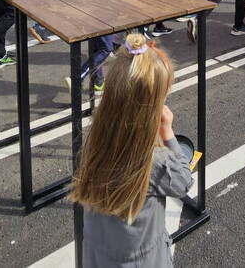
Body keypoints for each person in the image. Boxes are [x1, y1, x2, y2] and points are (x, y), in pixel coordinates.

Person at [69, 34, 192, 268]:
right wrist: (167, 133)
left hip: (97, 257)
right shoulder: (153, 161)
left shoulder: (96, 142)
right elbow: (183, 182)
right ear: (152, 109)